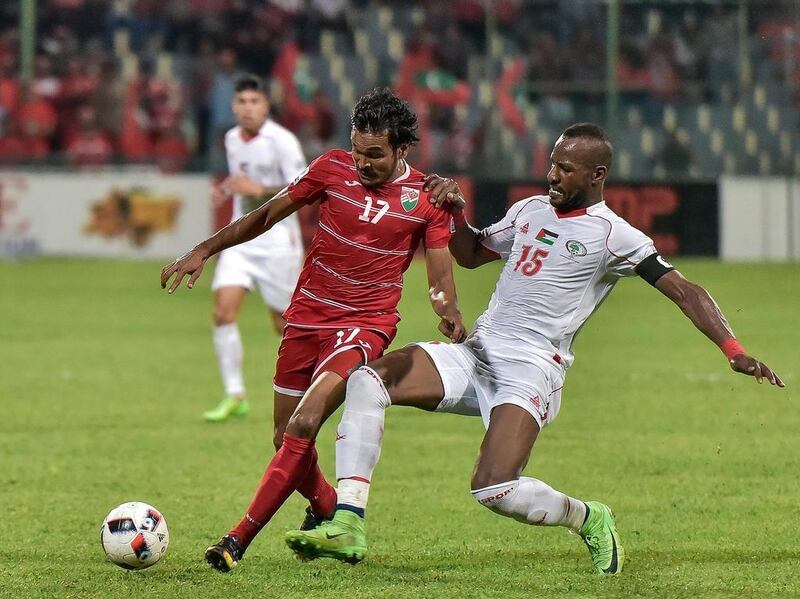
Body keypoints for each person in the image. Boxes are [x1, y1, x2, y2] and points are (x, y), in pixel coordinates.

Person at [284, 123, 784, 574]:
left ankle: (588, 516)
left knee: (494, 489)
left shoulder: (615, 235)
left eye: (565, 169)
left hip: (531, 369)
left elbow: (685, 289)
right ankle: (349, 519)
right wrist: (455, 213)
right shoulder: (530, 209)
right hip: (478, 351)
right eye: (551, 163)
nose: (552, 175)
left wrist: (733, 348)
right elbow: (473, 253)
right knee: (368, 379)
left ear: (597, 174)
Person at [160, 87, 466, 572]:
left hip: (364, 326)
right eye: (357, 150)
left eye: (375, 155)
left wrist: (447, 310)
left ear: (402, 149)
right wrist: (204, 248)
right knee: (285, 437)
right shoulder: (330, 168)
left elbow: (440, 273)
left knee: (305, 423)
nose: (362, 163)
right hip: (306, 317)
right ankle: (324, 506)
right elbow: (265, 214)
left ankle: (235, 540)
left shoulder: (427, 198)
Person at [202, 75, 306, 422]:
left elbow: (301, 190)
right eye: (242, 102)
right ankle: (234, 394)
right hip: (241, 240)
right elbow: (244, 180)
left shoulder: (283, 141)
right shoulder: (232, 139)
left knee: (285, 325)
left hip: (277, 243)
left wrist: (257, 187)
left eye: (254, 102)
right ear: (233, 106)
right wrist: (232, 187)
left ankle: (315, 387)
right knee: (222, 312)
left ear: (266, 106)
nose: (247, 108)